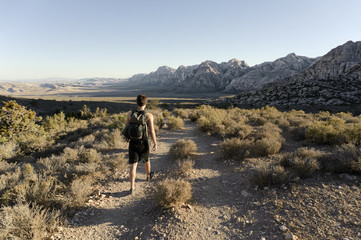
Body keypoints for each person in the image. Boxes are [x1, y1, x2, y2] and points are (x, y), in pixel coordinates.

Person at [125, 94, 157, 195]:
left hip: (132, 142)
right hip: (143, 142)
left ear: (137, 103)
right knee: (146, 160)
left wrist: (127, 138)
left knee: (133, 165)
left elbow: (126, 128)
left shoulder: (130, 114)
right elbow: (152, 131)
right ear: (146, 103)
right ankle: (148, 176)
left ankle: (132, 188)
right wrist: (155, 142)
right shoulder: (149, 115)